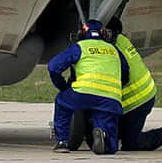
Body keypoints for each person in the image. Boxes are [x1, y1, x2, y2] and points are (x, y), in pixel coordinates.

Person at [106, 16, 162, 151]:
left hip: (138, 100)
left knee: (130, 143)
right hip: (141, 94)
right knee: (113, 132)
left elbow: (124, 76)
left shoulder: (112, 48)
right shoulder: (121, 40)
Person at [48, 19, 129, 155]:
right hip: (110, 97)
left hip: (83, 93)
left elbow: (53, 67)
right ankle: (103, 135)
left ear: (82, 33)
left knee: (62, 102)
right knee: (109, 139)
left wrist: (62, 86)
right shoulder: (113, 49)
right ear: (103, 33)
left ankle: (63, 141)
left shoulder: (80, 47)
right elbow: (125, 73)